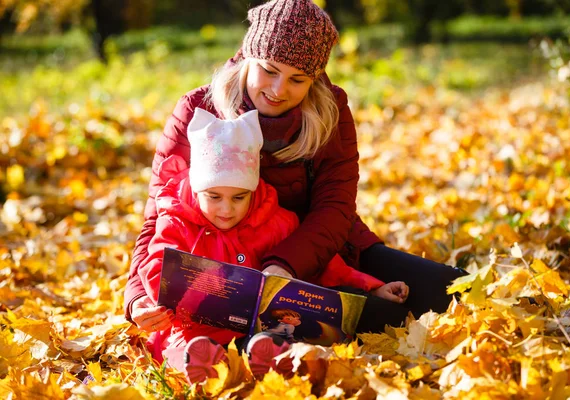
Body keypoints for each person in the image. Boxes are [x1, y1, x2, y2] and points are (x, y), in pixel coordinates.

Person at [125, 0, 465, 348]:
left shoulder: (330, 110)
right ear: (248, 57)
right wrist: (137, 298)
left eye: (297, 79)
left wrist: (284, 266)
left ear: (314, 79)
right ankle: (247, 350)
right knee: (378, 321)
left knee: (452, 293)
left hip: (326, 252)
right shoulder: (198, 109)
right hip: (226, 269)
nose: (277, 90)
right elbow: (158, 217)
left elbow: (335, 209)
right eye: (269, 70)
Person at [140, 107, 408, 383]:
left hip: (256, 328)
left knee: (274, 336)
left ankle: (266, 357)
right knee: (182, 348)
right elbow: (156, 268)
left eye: (239, 198)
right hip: (195, 329)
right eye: (214, 197)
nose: (226, 209)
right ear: (197, 190)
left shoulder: (275, 221)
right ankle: (200, 364)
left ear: (253, 190)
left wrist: (372, 286)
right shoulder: (178, 221)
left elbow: (325, 266)